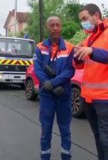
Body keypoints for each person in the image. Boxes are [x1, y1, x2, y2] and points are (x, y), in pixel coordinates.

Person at [73, 3, 108, 160]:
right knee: (98, 137)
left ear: (96, 16)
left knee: (107, 139)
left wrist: (92, 51)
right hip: (88, 97)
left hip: (107, 97)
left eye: (85, 18)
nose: (82, 22)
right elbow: (79, 64)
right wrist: (76, 55)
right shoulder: (89, 39)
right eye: (81, 20)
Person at [34, 16, 75, 160]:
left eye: (58, 25)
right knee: (46, 130)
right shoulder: (40, 48)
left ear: (61, 27)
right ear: (47, 28)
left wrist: (55, 82)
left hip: (63, 95)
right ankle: (45, 157)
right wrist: (49, 86)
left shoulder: (70, 48)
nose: (55, 28)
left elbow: (70, 70)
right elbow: (37, 69)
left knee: (65, 130)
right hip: (47, 96)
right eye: (52, 25)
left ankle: (66, 157)